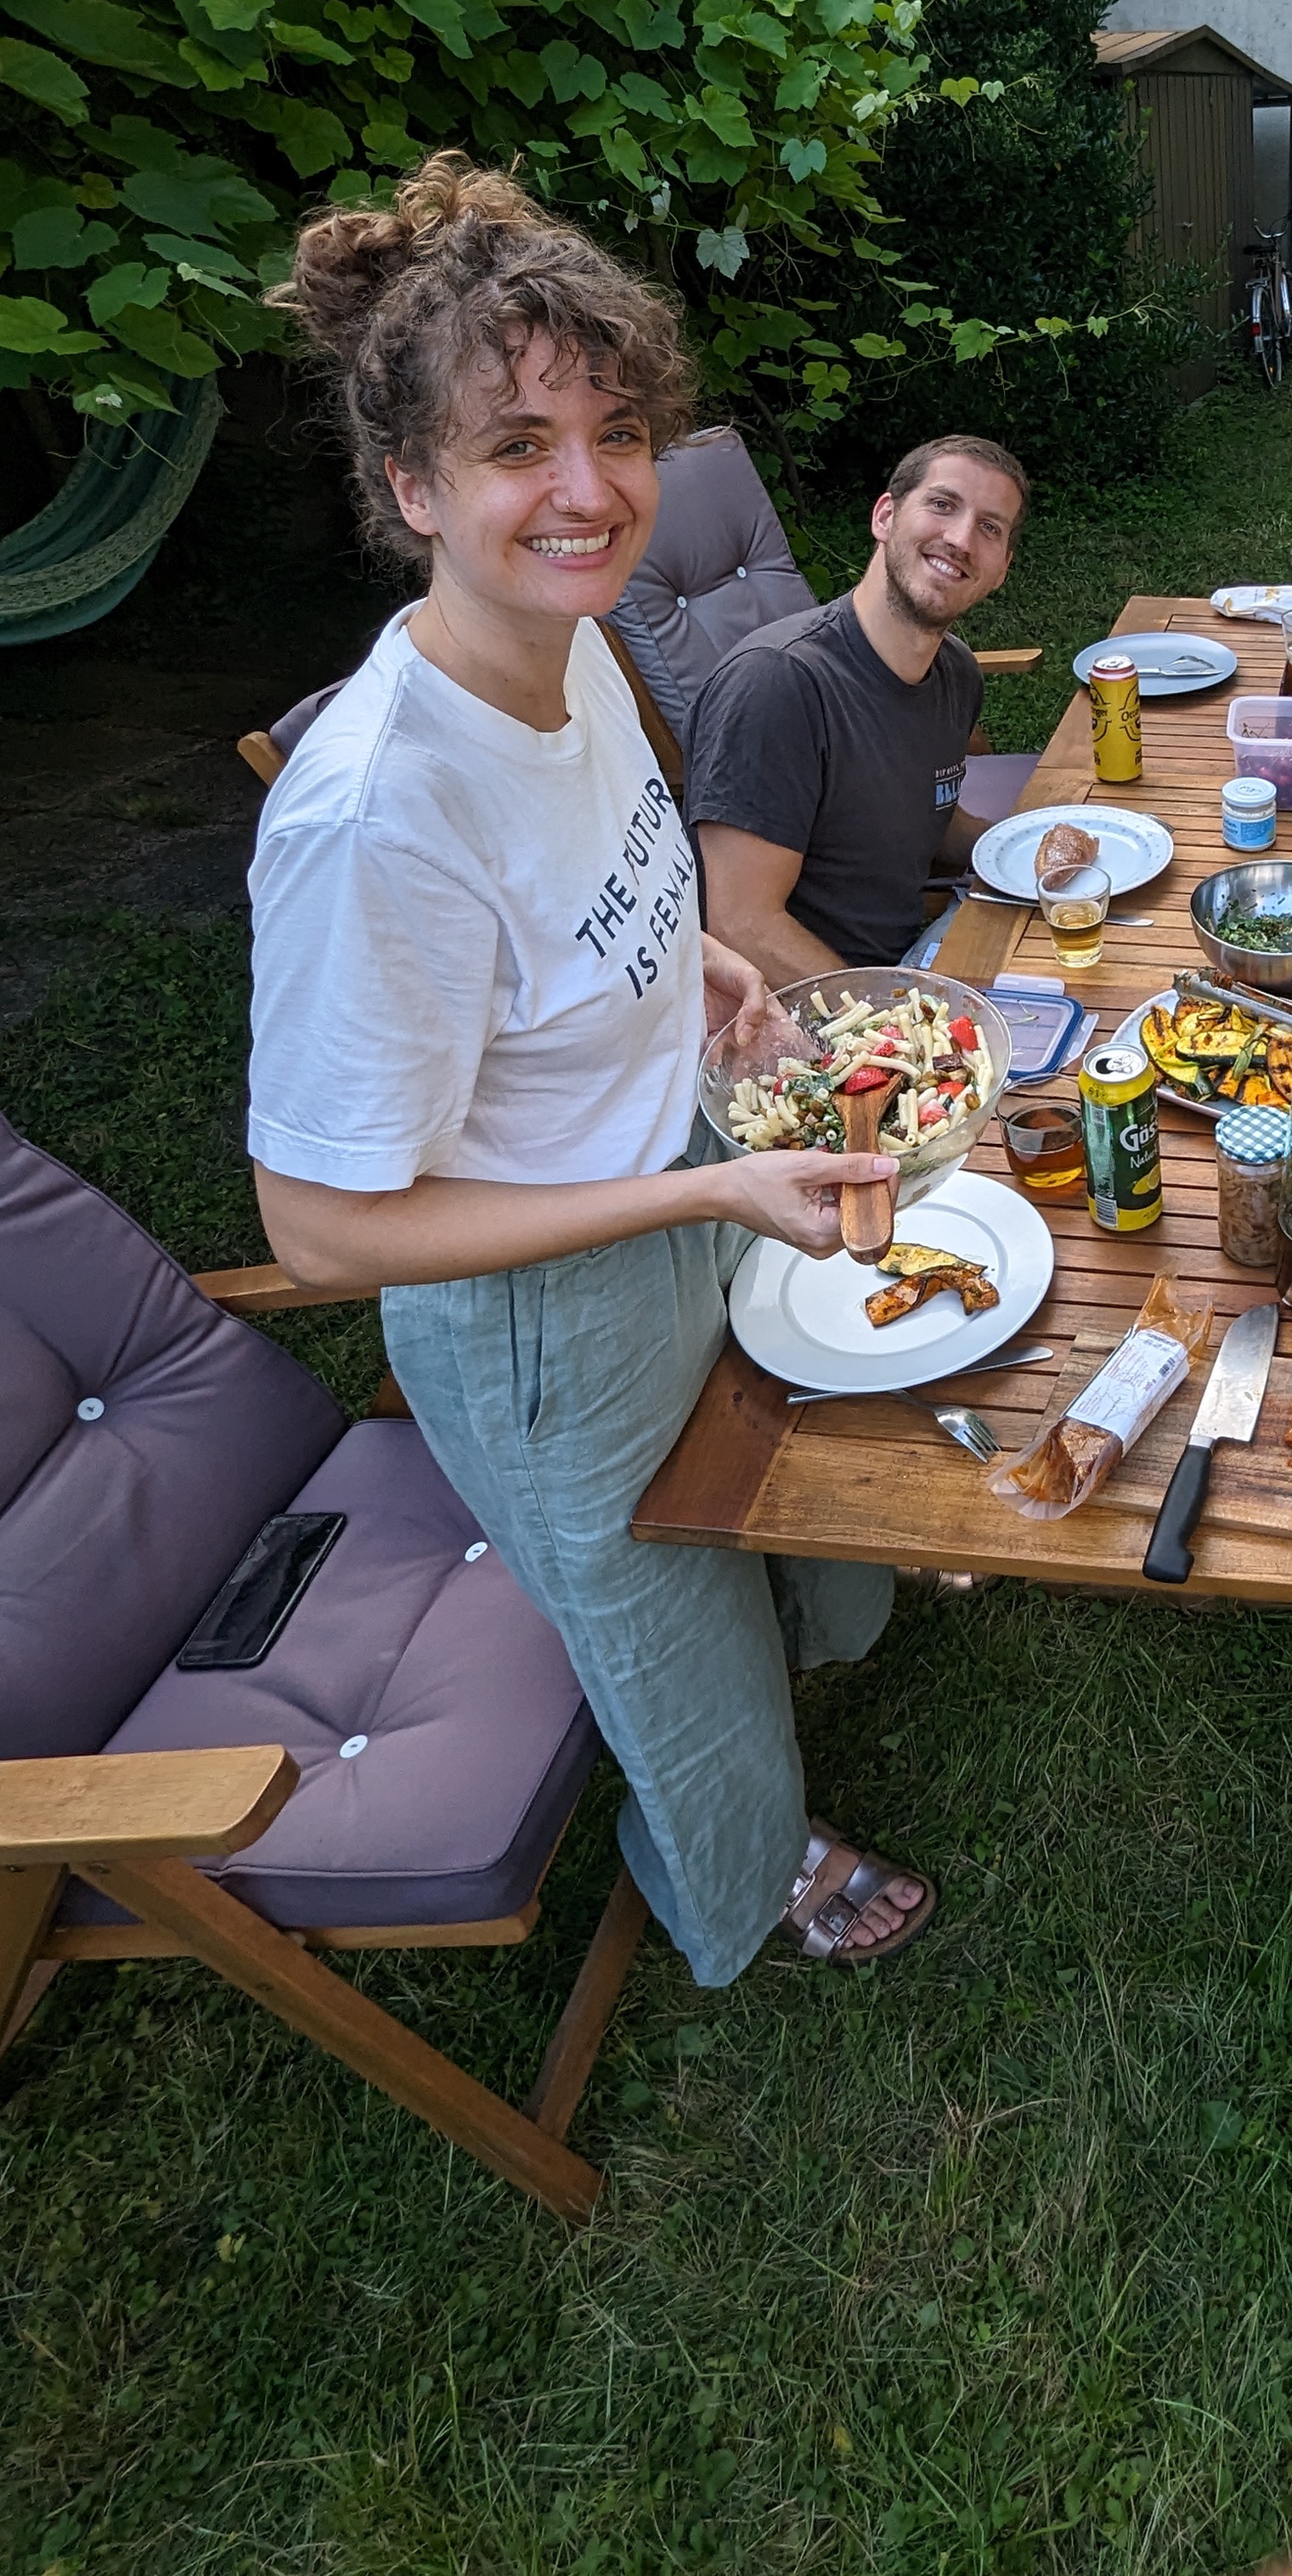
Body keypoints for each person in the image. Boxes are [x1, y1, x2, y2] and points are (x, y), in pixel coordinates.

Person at [247, 155, 932, 1976]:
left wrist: (693, 956)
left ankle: (820, 1656)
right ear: (412, 488)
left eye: (618, 431)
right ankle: (747, 1870)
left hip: (678, 1180)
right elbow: (316, 1227)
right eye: (517, 447)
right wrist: (711, 1184)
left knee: (792, 1473)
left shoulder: (583, 647)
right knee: (666, 1619)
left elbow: (609, 874)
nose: (589, 488)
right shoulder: (381, 811)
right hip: (542, 1319)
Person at [686, 433, 1030, 986]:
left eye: (990, 528)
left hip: (920, 958)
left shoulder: (954, 673)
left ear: (1002, 567)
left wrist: (1029, 850)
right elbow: (739, 923)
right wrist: (897, 1017)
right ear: (886, 517)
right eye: (942, 505)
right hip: (820, 1016)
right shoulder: (777, 686)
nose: (961, 538)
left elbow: (924, 815)